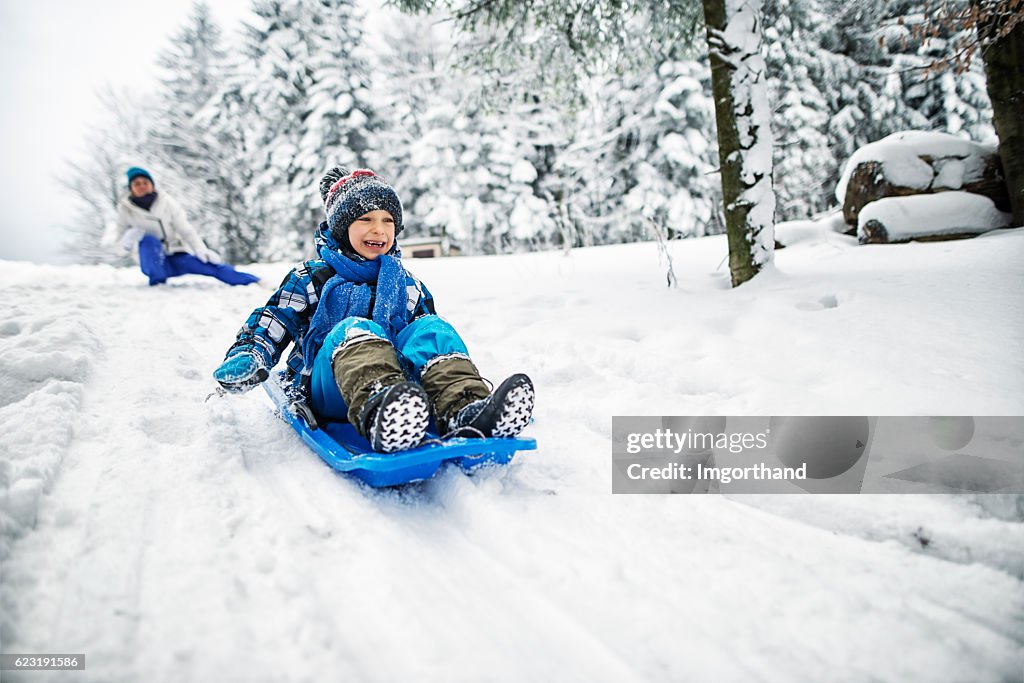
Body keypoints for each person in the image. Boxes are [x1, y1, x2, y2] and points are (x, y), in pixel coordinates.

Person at [212, 167, 535, 453]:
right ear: (341, 228)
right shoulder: (311, 277)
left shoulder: (406, 284)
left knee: (431, 329)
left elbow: (421, 343)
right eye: (365, 219)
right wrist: (250, 355)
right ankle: (384, 414)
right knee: (355, 328)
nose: (379, 230)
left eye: (388, 221)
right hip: (328, 389)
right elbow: (273, 320)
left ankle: (466, 409)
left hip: (404, 391)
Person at [114, 167, 260, 286]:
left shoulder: (166, 203)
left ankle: (253, 281)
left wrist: (200, 249)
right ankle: (157, 284)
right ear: (131, 188)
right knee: (148, 241)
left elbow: (185, 230)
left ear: (152, 184)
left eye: (145, 182)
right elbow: (118, 248)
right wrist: (126, 242)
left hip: (177, 256)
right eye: (137, 184)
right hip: (153, 264)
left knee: (209, 266)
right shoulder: (125, 210)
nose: (142, 186)